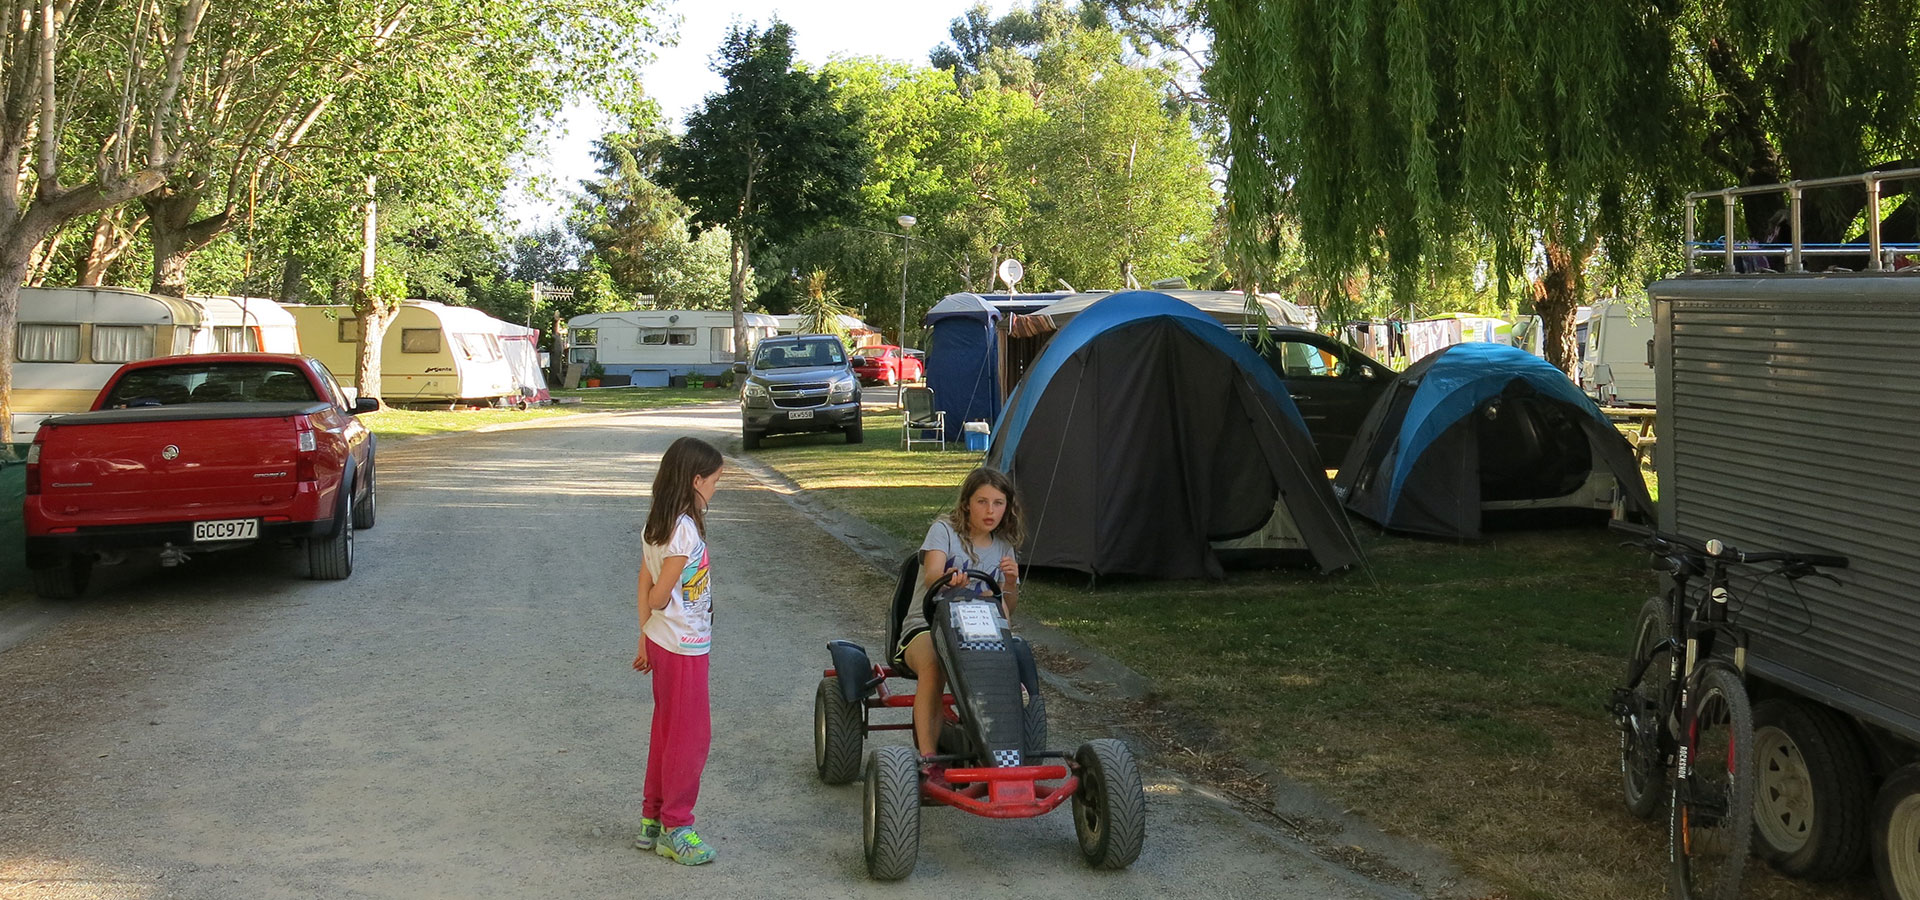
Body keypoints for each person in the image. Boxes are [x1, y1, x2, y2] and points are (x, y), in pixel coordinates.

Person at [893, 467, 1023, 778]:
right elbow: (931, 575)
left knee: (1019, 658)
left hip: (978, 632)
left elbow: (1006, 608)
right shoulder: (944, 531)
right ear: (967, 503)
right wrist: (949, 578)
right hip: (926, 625)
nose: (990, 511)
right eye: (982, 502)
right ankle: (928, 758)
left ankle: (1009, 752)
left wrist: (1010, 582)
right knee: (935, 662)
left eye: (998, 503)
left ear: (1007, 507)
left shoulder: (1003, 545)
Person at [632, 436, 724, 866]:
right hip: (683, 645)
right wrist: (656, 607)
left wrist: (645, 633)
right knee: (690, 736)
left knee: (667, 731)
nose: (716, 489)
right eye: (715, 481)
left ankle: (652, 819)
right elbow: (656, 591)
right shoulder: (683, 529)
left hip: (665, 640)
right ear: (696, 480)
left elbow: (642, 578)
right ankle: (677, 827)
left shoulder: (658, 523)